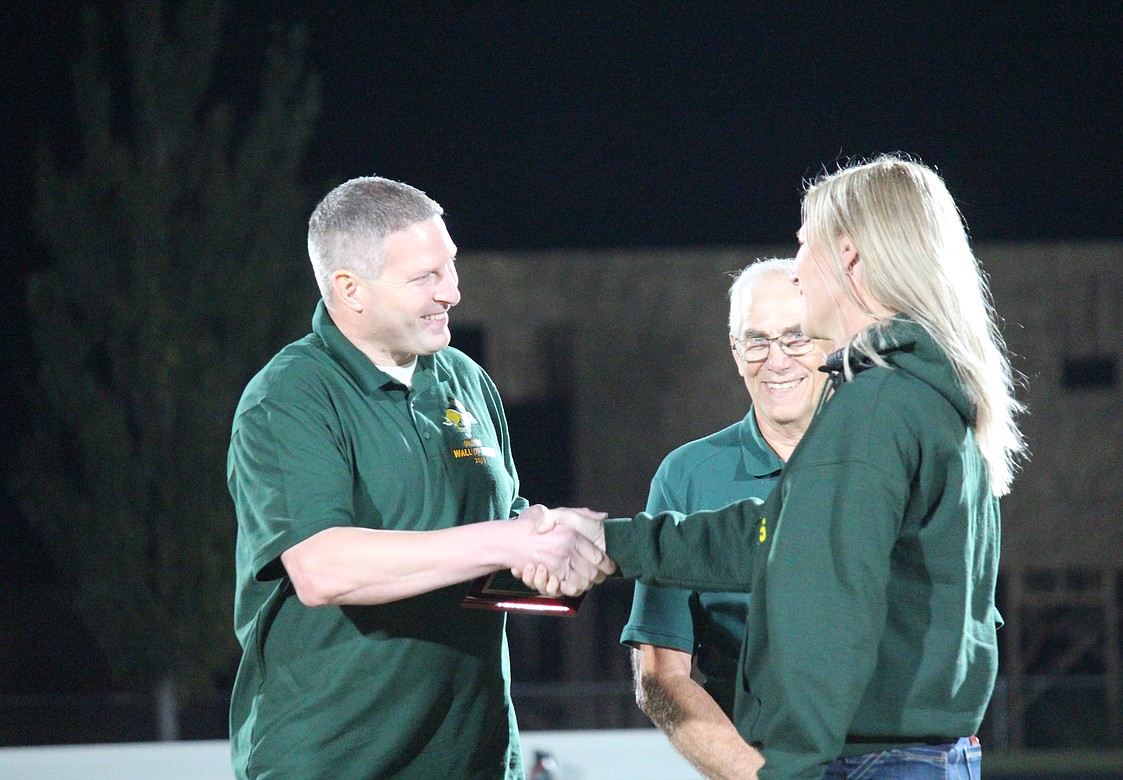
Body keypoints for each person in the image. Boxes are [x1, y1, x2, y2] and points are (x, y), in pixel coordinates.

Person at [531, 155, 1025, 778]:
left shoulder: (875, 410)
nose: (796, 269)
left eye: (802, 246)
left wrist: (787, 768)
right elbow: (780, 536)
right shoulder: (913, 396)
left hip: (874, 762)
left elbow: (829, 613)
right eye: (756, 341)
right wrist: (608, 541)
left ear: (848, 257)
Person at [227, 176, 613, 780]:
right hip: (332, 764)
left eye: (451, 267)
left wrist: (563, 551)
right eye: (425, 278)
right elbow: (321, 568)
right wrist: (506, 541)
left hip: (477, 760)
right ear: (349, 289)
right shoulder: (289, 396)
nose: (453, 292)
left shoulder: (465, 379)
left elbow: (498, 553)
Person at [620, 257, 827, 779]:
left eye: (796, 338)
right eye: (756, 341)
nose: (776, 361)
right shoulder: (687, 477)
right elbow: (661, 674)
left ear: (830, 343)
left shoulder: (887, 458)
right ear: (735, 352)